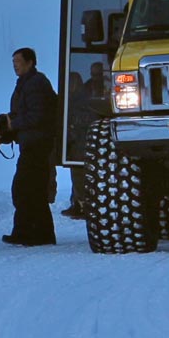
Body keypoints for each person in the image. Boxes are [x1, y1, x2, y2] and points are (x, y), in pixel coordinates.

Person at [3, 47, 58, 246]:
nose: (15, 65)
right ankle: (38, 233)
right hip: (33, 142)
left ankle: (29, 233)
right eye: (13, 62)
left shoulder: (35, 84)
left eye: (17, 61)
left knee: (25, 189)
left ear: (30, 62)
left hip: (37, 144)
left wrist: (13, 124)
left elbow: (38, 115)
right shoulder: (29, 83)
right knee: (33, 190)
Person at [61, 60, 106, 219]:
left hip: (87, 140)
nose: (95, 77)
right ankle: (80, 203)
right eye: (93, 74)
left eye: (98, 74)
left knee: (83, 173)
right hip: (82, 140)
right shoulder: (86, 93)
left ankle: (84, 204)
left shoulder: (100, 94)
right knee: (79, 172)